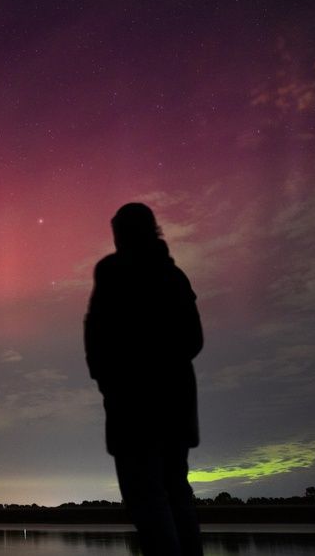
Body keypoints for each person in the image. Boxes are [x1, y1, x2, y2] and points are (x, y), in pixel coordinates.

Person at [84, 202, 203, 556]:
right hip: (175, 403)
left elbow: (96, 334)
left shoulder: (113, 272)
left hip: (133, 407)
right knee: (175, 489)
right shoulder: (175, 276)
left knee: (146, 495)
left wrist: (110, 380)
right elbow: (194, 340)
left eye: (118, 232)